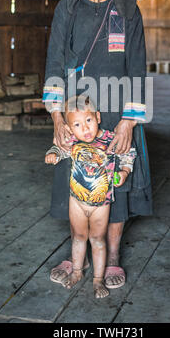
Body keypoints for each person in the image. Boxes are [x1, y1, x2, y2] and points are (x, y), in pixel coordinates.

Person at [43, 0, 152, 290]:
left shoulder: (127, 11)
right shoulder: (67, 9)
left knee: (115, 186)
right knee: (76, 183)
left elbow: (138, 67)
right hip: (78, 115)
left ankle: (113, 257)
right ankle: (78, 254)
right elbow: (55, 62)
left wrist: (127, 123)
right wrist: (58, 118)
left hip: (117, 112)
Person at [45, 95, 136, 298]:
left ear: (98, 116)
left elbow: (128, 153)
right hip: (76, 201)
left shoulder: (110, 139)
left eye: (88, 120)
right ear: (69, 127)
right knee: (78, 237)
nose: (85, 129)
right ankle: (77, 272)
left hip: (101, 203)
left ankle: (97, 280)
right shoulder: (73, 141)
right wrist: (53, 154)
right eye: (77, 124)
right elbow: (59, 148)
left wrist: (124, 172)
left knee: (97, 239)